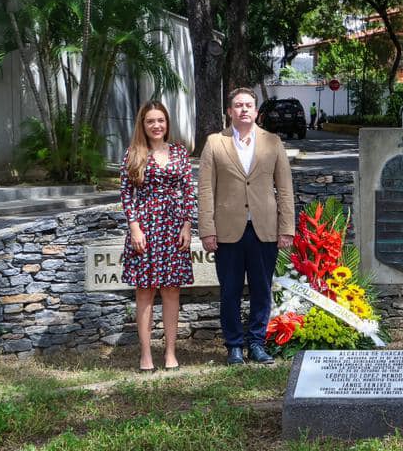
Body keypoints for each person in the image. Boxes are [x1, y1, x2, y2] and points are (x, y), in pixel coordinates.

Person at [198, 87, 295, 365]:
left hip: (264, 229)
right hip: (227, 230)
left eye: (248, 105)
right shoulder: (215, 143)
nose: (243, 110)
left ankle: (257, 343)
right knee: (229, 291)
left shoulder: (272, 142)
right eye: (238, 105)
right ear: (230, 111)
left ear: (256, 111)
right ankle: (234, 346)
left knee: (262, 290)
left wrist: (286, 228)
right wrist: (207, 229)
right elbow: (205, 190)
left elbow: (285, 189)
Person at [120, 100, 194, 372]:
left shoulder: (179, 152)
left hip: (174, 227)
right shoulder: (133, 153)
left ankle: (171, 353)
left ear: (167, 123)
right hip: (145, 228)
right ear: (143, 124)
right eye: (150, 121)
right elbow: (126, 194)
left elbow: (188, 191)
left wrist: (187, 225)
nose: (156, 125)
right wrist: (134, 227)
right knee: (145, 291)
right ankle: (146, 355)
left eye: (160, 120)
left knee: (172, 290)